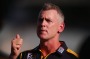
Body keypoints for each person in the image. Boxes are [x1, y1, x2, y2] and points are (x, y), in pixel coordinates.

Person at [9, 3, 78, 59]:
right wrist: (14, 56)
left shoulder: (72, 57)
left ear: (61, 27)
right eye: (40, 20)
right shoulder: (24, 56)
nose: (42, 24)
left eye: (48, 20)